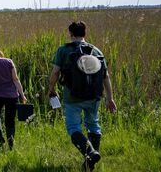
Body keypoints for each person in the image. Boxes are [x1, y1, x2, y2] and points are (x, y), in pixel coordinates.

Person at [47, 21, 117, 171]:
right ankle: (89, 162)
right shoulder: (97, 52)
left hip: (72, 97)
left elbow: (55, 72)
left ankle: (90, 152)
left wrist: (51, 88)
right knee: (93, 125)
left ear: (70, 34)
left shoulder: (63, 50)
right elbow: (106, 77)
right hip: (93, 96)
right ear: (85, 33)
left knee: (73, 127)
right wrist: (110, 98)